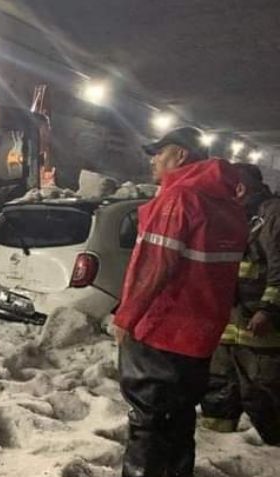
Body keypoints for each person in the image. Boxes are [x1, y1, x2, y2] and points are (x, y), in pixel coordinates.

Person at [113, 127, 249, 477]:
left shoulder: (179, 198)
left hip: (161, 331)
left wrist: (126, 318)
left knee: (148, 424)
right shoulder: (227, 205)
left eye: (159, 153)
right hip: (200, 337)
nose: (153, 160)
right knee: (179, 420)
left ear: (181, 155)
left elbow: (153, 266)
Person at [200, 163, 280, 445]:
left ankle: (272, 452)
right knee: (219, 386)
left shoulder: (272, 215)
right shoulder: (235, 215)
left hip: (260, 325)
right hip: (229, 321)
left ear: (240, 188)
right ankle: (218, 445)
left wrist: (268, 309)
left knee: (263, 391)